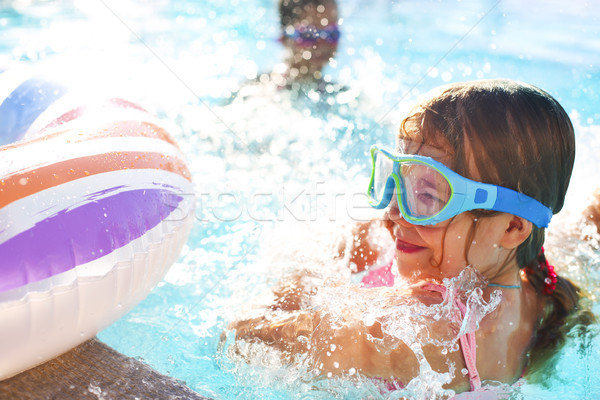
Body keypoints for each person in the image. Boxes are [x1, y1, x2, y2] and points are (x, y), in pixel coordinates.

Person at [229, 79, 591, 394]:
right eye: (397, 181)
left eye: (428, 195)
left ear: (512, 227)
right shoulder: (542, 294)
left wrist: (304, 278)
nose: (392, 213)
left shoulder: (427, 329)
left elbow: (243, 337)